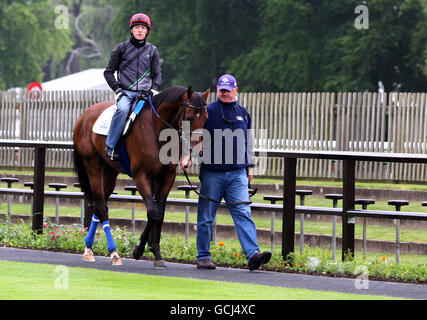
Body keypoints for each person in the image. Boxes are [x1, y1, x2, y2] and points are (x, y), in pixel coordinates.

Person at [181, 74, 271, 271]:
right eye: (221, 90)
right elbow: (195, 134)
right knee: (206, 217)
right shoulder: (208, 111)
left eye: (228, 90)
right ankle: (203, 256)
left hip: (238, 174)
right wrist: (188, 155)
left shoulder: (244, 113)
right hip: (213, 173)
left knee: (243, 213)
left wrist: (250, 167)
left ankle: (253, 255)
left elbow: (248, 142)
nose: (225, 93)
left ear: (235, 90)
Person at [103, 13, 162, 160]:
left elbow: (157, 75)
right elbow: (108, 72)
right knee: (122, 110)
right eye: (137, 27)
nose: (140, 30)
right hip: (125, 93)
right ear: (131, 30)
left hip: (145, 94)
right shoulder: (121, 48)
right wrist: (118, 91)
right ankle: (110, 146)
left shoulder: (153, 50)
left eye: (143, 28)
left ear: (148, 31)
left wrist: (153, 89)